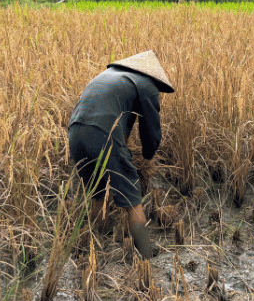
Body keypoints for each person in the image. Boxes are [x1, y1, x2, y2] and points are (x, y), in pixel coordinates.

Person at [67, 50, 175, 259]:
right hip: (103, 134)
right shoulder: (146, 85)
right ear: (152, 75)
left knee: (98, 193)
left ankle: (100, 244)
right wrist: (147, 156)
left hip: (75, 131)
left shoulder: (110, 77)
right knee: (132, 196)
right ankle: (146, 253)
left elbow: (114, 119)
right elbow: (151, 130)